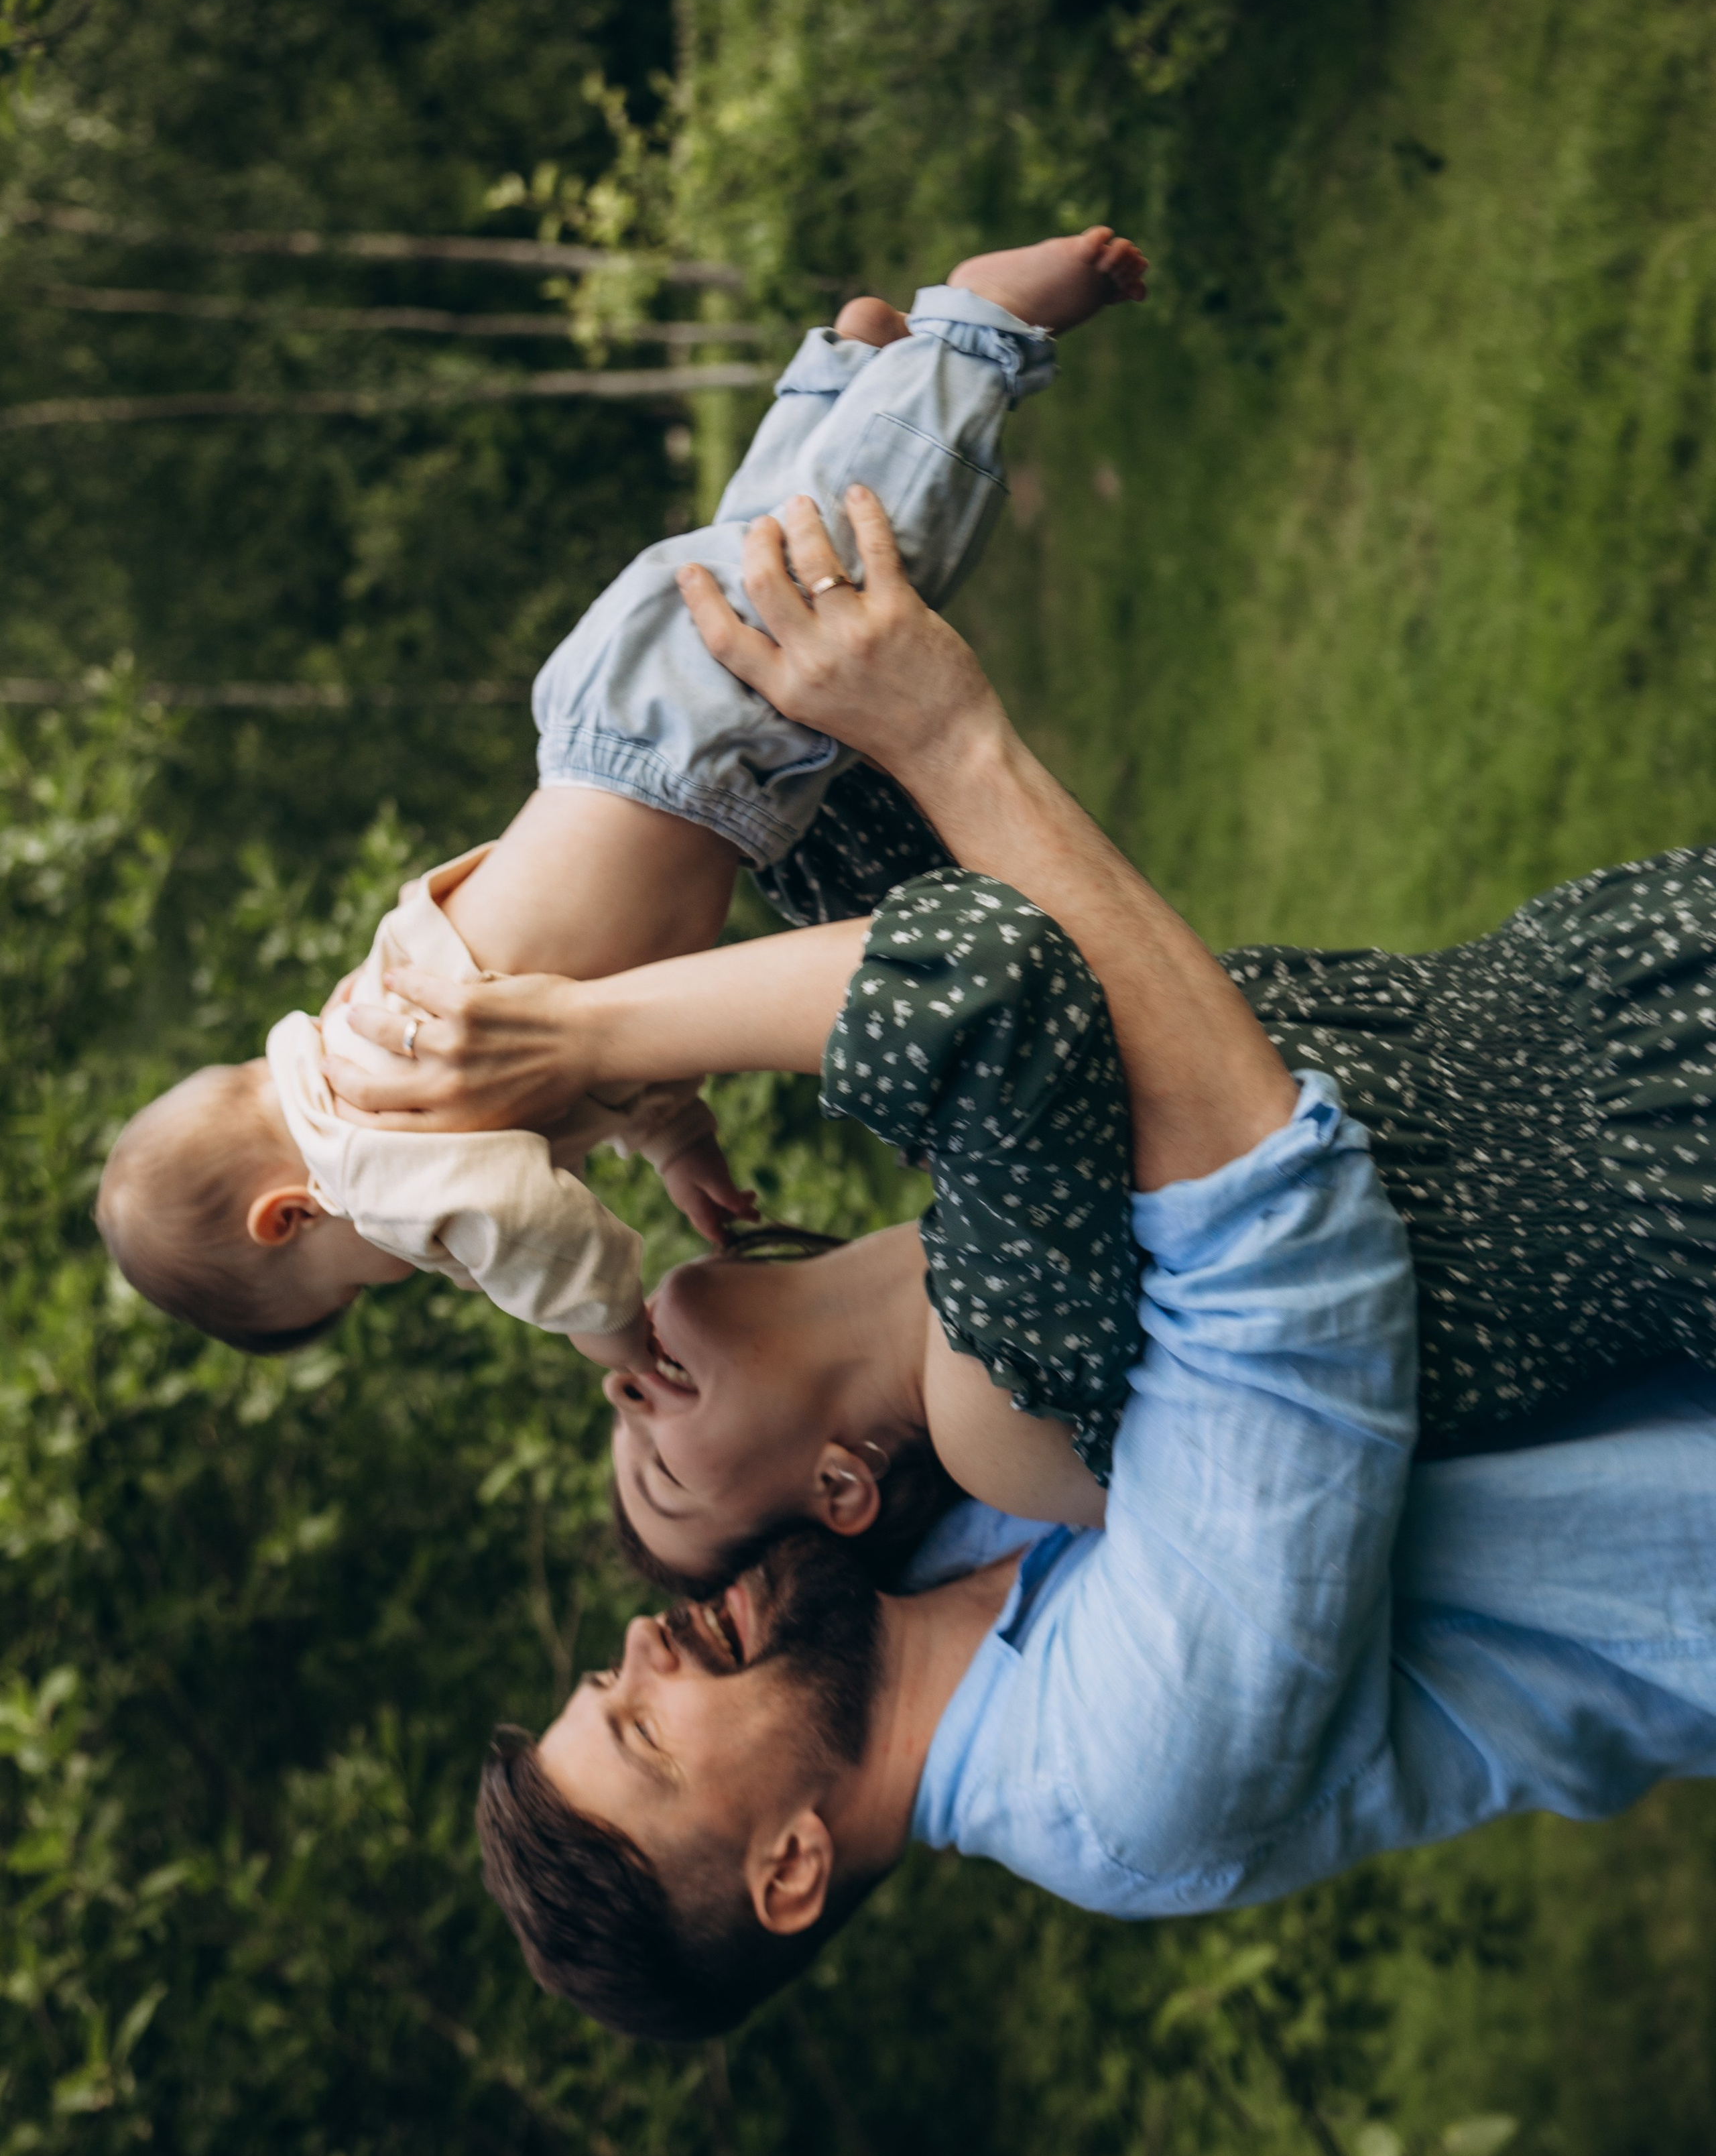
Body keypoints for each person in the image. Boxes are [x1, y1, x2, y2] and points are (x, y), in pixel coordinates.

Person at [436, 502, 1716, 2043]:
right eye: (642, 1732)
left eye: (606, 1679)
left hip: (1627, 1023)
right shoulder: (1123, 1778)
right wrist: (946, 739)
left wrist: (866, 454)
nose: (643, 1644)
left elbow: (1042, 1068)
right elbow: (1270, 1241)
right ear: (787, 1868)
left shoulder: (925, 1533)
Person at [328, 491, 1716, 1590]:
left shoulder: (973, 1198)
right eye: (663, 1468)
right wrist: (570, 1032)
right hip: (1679, 1192)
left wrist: (858, 434)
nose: (624, 1401)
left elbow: (833, 790)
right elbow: (982, 973)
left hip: (1627, 969)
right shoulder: (1005, 1432)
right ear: (838, 1489)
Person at [95, 227, 1148, 1361]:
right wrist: (677, 1142)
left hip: (684, 761)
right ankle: (845, 374)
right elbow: (598, 1050)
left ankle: (979, 331)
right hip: (613, 735)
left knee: (873, 563)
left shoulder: (368, 1156)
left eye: (352, 1289)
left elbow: (530, 1232)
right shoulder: (368, 1048)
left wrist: (617, 1338)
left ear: (286, 1215)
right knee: (767, 546)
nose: (396, 1271)